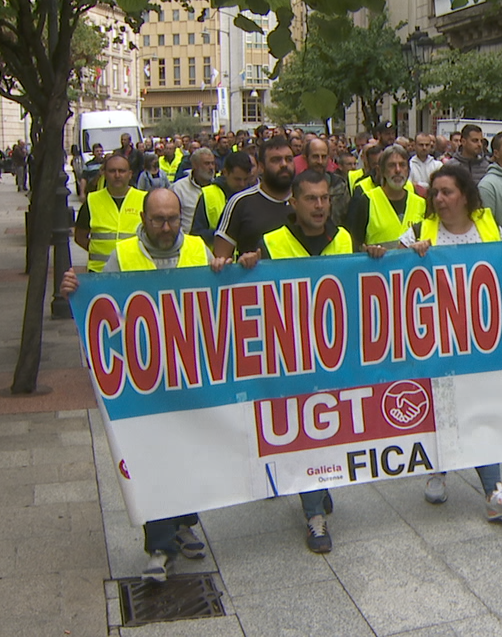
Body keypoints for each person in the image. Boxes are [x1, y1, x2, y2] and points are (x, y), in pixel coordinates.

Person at [59, 189, 213, 580]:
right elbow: (101, 302)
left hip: (191, 375)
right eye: (158, 219)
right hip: (143, 377)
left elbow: (222, 296)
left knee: (189, 451)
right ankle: (159, 545)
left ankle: (183, 523)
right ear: (143, 219)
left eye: (173, 219)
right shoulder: (124, 256)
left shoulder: (198, 249)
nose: (166, 227)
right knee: (153, 456)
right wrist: (76, 292)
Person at [371, 165, 502, 520]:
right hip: (436, 340)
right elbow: (389, 274)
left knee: (481, 408)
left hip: (481, 337)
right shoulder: (420, 230)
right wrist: (402, 254)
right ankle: (438, 469)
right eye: (436, 193)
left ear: (465, 195)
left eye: (447, 192)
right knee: (443, 409)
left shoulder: (488, 224)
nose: (439, 199)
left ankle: (494, 491)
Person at [219, 171, 347, 552]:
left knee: (330, 426)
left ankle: (319, 485)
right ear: (293, 203)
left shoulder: (342, 239)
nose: (320, 206)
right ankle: (314, 517)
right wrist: (245, 268)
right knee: (304, 431)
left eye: (324, 198)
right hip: (290, 357)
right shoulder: (271, 244)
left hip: (335, 354)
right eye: (311, 199)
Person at [212, 136, 295, 260]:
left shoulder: (308, 200)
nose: (284, 164)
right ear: (261, 167)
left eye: (288, 159)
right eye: (276, 160)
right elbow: (220, 260)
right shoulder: (240, 202)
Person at [74, 155, 145, 273]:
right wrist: (97, 250)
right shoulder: (92, 200)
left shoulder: (144, 199)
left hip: (134, 270)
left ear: (130, 174)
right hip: (99, 271)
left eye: (122, 171)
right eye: (112, 171)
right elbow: (80, 237)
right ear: (105, 174)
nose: (117, 175)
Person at [352, 145, 424, 249]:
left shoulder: (421, 203)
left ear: (408, 170)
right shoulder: (367, 200)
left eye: (402, 165)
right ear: (382, 171)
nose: (398, 170)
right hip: (377, 265)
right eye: (391, 165)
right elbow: (355, 244)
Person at [189, 150, 257, 245]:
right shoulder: (209, 194)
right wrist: (224, 234)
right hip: (217, 257)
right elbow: (196, 235)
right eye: (237, 179)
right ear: (225, 173)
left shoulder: (254, 196)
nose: (242, 184)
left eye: (246, 179)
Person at [172, 147, 215, 230]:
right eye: (207, 163)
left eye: (213, 163)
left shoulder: (218, 188)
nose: (211, 167)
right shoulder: (179, 188)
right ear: (195, 165)